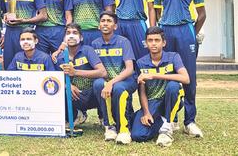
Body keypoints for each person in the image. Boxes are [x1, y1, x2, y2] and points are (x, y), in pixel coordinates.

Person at [154, 0, 206, 137]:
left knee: (188, 76)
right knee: (168, 74)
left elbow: (202, 14)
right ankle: (171, 118)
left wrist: (193, 33)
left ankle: (190, 121)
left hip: (186, 31)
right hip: (166, 31)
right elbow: (158, 14)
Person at [131, 27, 190, 147]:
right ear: (146, 43)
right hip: (152, 102)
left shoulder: (173, 57)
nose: (153, 43)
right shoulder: (141, 63)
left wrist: (155, 75)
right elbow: (141, 91)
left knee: (174, 86)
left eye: (157, 40)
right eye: (150, 40)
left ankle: (167, 127)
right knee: (138, 135)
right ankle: (162, 120)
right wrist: (146, 112)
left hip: (169, 99)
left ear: (163, 42)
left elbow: (186, 78)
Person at [91, 11, 136, 144]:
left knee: (118, 88)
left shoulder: (123, 41)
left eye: (109, 21)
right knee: (98, 84)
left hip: (126, 80)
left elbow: (130, 69)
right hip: (107, 81)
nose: (105, 23)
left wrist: (111, 82)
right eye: (103, 20)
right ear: (99, 25)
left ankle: (124, 129)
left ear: (115, 26)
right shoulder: (95, 44)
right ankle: (110, 126)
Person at [55, 23, 107, 126]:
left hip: (92, 94)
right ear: (64, 38)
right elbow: (56, 80)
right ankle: (76, 115)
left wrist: (75, 72)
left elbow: (102, 72)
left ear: (81, 37)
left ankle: (103, 116)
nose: (71, 35)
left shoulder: (87, 50)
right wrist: (67, 85)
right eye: (68, 33)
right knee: (60, 89)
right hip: (75, 95)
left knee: (100, 83)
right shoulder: (60, 57)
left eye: (75, 33)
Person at [2, 0, 47, 68]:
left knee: (28, 65)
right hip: (10, 33)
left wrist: (24, 21)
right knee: (9, 65)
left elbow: (43, 16)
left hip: (27, 33)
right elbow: (3, 12)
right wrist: (4, 16)